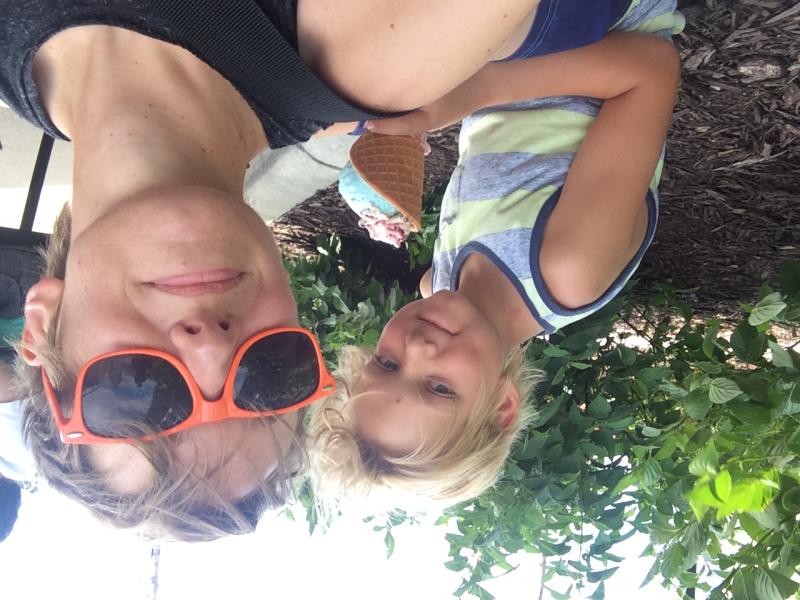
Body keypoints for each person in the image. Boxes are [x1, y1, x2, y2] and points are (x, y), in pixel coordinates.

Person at [3, 0, 620, 540]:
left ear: (42, 325)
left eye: (136, 389)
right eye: (267, 379)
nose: (212, 348)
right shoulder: (384, 49)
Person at [308, 2, 685, 509]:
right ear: (503, 405)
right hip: (604, 21)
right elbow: (651, 68)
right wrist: (470, 90)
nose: (417, 346)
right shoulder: (567, 268)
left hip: (507, 52)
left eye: (387, 361)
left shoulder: (443, 285)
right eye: (440, 389)